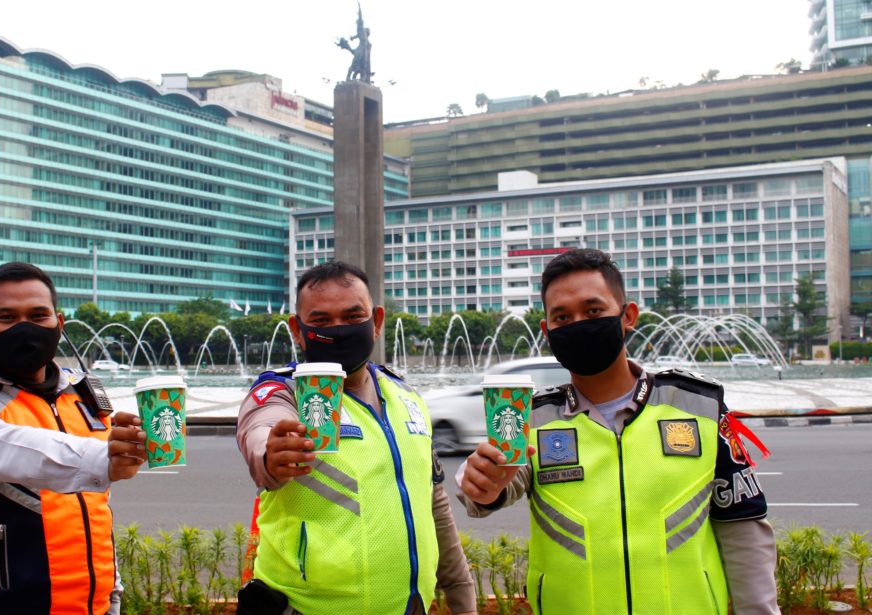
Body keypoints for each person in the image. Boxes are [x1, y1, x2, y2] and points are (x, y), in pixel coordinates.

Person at [458, 248, 779, 615]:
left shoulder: (699, 406)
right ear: (546, 332)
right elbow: (489, 488)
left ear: (627, 316)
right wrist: (481, 483)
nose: (578, 324)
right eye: (562, 317)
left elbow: (743, 529)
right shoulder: (533, 418)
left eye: (593, 311)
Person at [236, 261, 475, 615]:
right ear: (297, 331)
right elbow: (261, 429)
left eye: (352, 317)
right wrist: (271, 455)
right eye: (320, 321)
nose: (338, 330)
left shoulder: (407, 398)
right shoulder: (283, 392)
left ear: (376, 322)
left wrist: (463, 601)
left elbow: (434, 504)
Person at [0, 262, 147, 614]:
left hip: (94, 605)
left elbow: (92, 508)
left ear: (59, 323)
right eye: (7, 318)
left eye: (38, 316)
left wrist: (112, 593)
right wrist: (104, 458)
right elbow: (16, 449)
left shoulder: (82, 395)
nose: (25, 329)